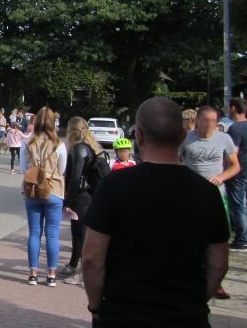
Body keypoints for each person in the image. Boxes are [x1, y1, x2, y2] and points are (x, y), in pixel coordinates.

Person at [83, 97, 230, 327]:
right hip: (186, 315)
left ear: (138, 135)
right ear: (183, 136)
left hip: (124, 314)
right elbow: (219, 262)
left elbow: (92, 258)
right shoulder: (207, 193)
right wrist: (196, 300)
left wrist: (96, 306)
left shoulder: (114, 186)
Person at [180, 106, 240, 300]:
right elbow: (175, 161)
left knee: (218, 239)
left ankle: (217, 283)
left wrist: (221, 177)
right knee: (190, 238)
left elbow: (235, 166)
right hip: (191, 196)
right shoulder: (186, 138)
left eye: (214, 121)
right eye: (206, 120)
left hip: (216, 195)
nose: (210, 125)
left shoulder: (224, 139)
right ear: (197, 120)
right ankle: (191, 278)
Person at [20, 107, 67, 287]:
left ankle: (33, 273)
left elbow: (24, 170)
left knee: (34, 233)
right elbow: (62, 170)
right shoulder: (59, 145)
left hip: (32, 190)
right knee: (52, 234)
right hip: (53, 190)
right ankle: (51, 274)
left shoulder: (28, 144)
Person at [61, 117, 103, 286]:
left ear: (72, 131)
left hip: (81, 197)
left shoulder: (79, 149)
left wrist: (68, 201)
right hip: (86, 196)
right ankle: (73, 263)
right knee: (77, 232)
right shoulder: (90, 147)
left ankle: (82, 272)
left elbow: (75, 178)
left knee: (81, 235)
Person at [226, 98, 247, 252]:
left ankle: (242, 240)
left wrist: (225, 169)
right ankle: (242, 237)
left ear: (233, 108)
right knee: (242, 203)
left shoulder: (235, 128)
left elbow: (232, 152)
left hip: (238, 171)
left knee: (238, 206)